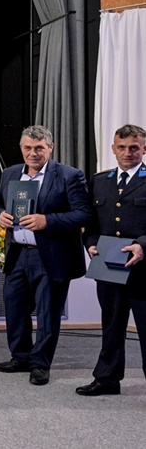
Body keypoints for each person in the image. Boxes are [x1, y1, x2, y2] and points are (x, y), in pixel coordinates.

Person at [0, 125, 90, 386]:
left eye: (39, 148)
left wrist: (48, 220)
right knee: (13, 307)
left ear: (50, 148)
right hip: (17, 253)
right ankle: (20, 356)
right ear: (21, 148)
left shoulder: (69, 176)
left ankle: (40, 363)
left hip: (50, 255)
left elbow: (83, 214)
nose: (33, 153)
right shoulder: (10, 173)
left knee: (47, 312)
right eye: (27, 148)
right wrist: (0, 214)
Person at [77, 124, 146, 396]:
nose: (127, 153)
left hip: (143, 268)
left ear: (143, 149)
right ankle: (107, 379)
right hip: (109, 266)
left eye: (134, 147)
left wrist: (142, 245)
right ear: (113, 149)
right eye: (122, 147)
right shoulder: (100, 180)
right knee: (112, 325)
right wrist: (91, 244)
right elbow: (91, 224)